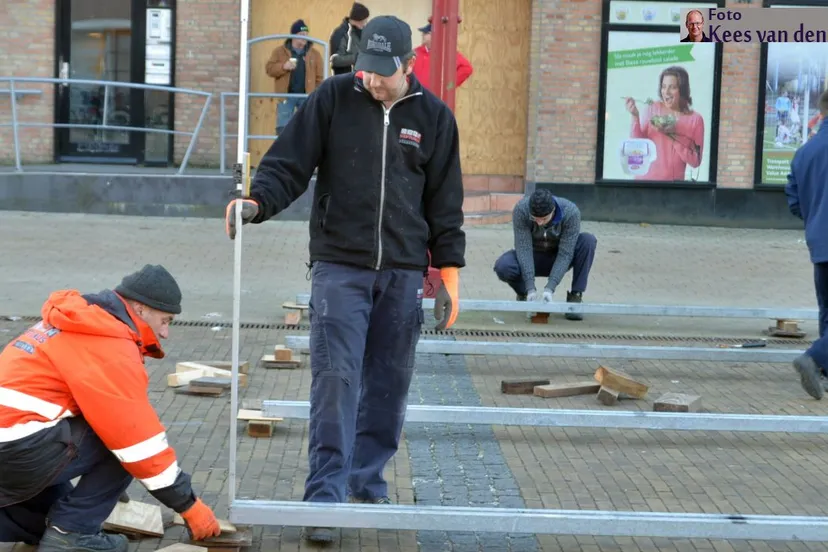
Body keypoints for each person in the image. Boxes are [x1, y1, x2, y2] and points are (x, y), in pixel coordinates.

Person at [224, 15, 465, 544]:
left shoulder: (434, 118)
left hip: (401, 273)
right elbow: (289, 162)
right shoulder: (333, 98)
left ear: (407, 65)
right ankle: (325, 495)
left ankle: (366, 477)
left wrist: (449, 274)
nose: (372, 81)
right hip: (340, 268)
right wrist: (257, 200)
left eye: (383, 73)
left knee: (390, 382)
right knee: (335, 381)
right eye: (366, 71)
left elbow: (445, 207)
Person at [0, 265, 221, 552]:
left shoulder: (74, 320)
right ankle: (71, 535)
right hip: (17, 449)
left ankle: (57, 529)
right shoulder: (108, 343)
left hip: (14, 445)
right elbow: (138, 443)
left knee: (54, 514)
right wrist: (189, 505)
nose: (165, 333)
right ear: (140, 309)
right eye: (165, 320)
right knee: (123, 440)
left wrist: (105, 490)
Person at [493, 189, 597, 321]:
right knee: (503, 266)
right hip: (534, 255)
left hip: (559, 256)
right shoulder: (521, 210)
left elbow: (566, 253)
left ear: (553, 211)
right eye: (535, 219)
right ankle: (524, 293)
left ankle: (575, 297)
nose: (539, 223)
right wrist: (530, 288)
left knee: (588, 241)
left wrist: (550, 288)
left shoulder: (571, 213)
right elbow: (523, 249)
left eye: (544, 218)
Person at [785, 90, 828, 400]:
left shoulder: (805, 151)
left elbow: (794, 201)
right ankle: (814, 358)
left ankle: (823, 371)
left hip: (820, 243)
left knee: (827, 311)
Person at [265, 19, 324, 136]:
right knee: (283, 129)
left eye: (306, 35)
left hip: (306, 97)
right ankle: (284, 153)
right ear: (293, 35)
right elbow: (269, 69)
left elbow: (319, 78)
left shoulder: (315, 54)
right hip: (286, 96)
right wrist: (283, 66)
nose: (305, 38)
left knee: (307, 129)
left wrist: (315, 95)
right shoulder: (279, 52)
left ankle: (304, 153)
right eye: (301, 35)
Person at [411, 22, 473, 93]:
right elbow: (406, 72)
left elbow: (467, 68)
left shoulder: (445, 52)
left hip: (434, 98)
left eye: (426, 33)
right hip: (415, 97)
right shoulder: (415, 52)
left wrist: (449, 86)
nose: (422, 35)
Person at [329, 2, 370, 75]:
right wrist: (356, 57)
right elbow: (334, 60)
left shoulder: (361, 32)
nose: (365, 23)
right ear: (357, 19)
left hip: (360, 77)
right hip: (345, 78)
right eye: (364, 20)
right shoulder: (341, 33)